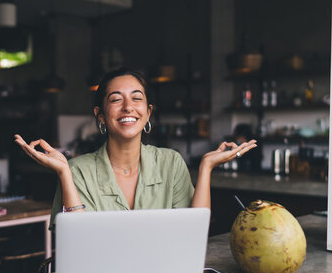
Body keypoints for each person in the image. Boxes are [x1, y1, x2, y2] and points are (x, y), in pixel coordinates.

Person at [14, 67, 257, 228]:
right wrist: (64, 173)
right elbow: (81, 247)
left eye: (137, 98)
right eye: (116, 99)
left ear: (148, 112)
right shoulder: (77, 170)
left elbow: (194, 232)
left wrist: (206, 168)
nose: (128, 107)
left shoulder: (170, 163)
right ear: (100, 115)